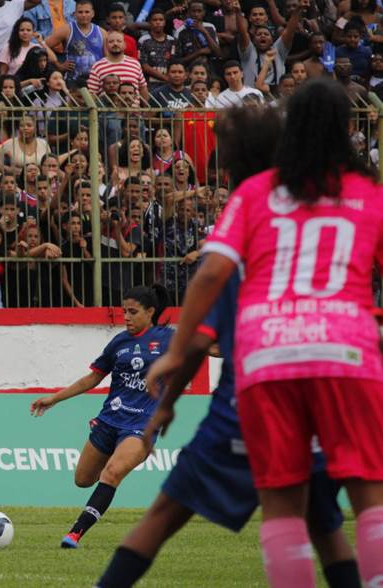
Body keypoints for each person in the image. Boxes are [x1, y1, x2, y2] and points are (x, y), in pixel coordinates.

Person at [95, 105, 362, 588]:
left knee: (167, 514)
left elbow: (207, 307)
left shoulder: (252, 210)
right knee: (328, 523)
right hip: (335, 371)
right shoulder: (338, 199)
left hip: (257, 386)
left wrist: (171, 387)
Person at [30, 284, 173, 549]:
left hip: (142, 424)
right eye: (124, 312)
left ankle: (75, 533)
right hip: (109, 420)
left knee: (112, 473)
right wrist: (54, 398)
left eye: (133, 312)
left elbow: (210, 347)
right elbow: (93, 378)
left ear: (150, 312)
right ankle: (111, 448)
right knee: (83, 480)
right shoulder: (119, 342)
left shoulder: (168, 339)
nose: (126, 317)